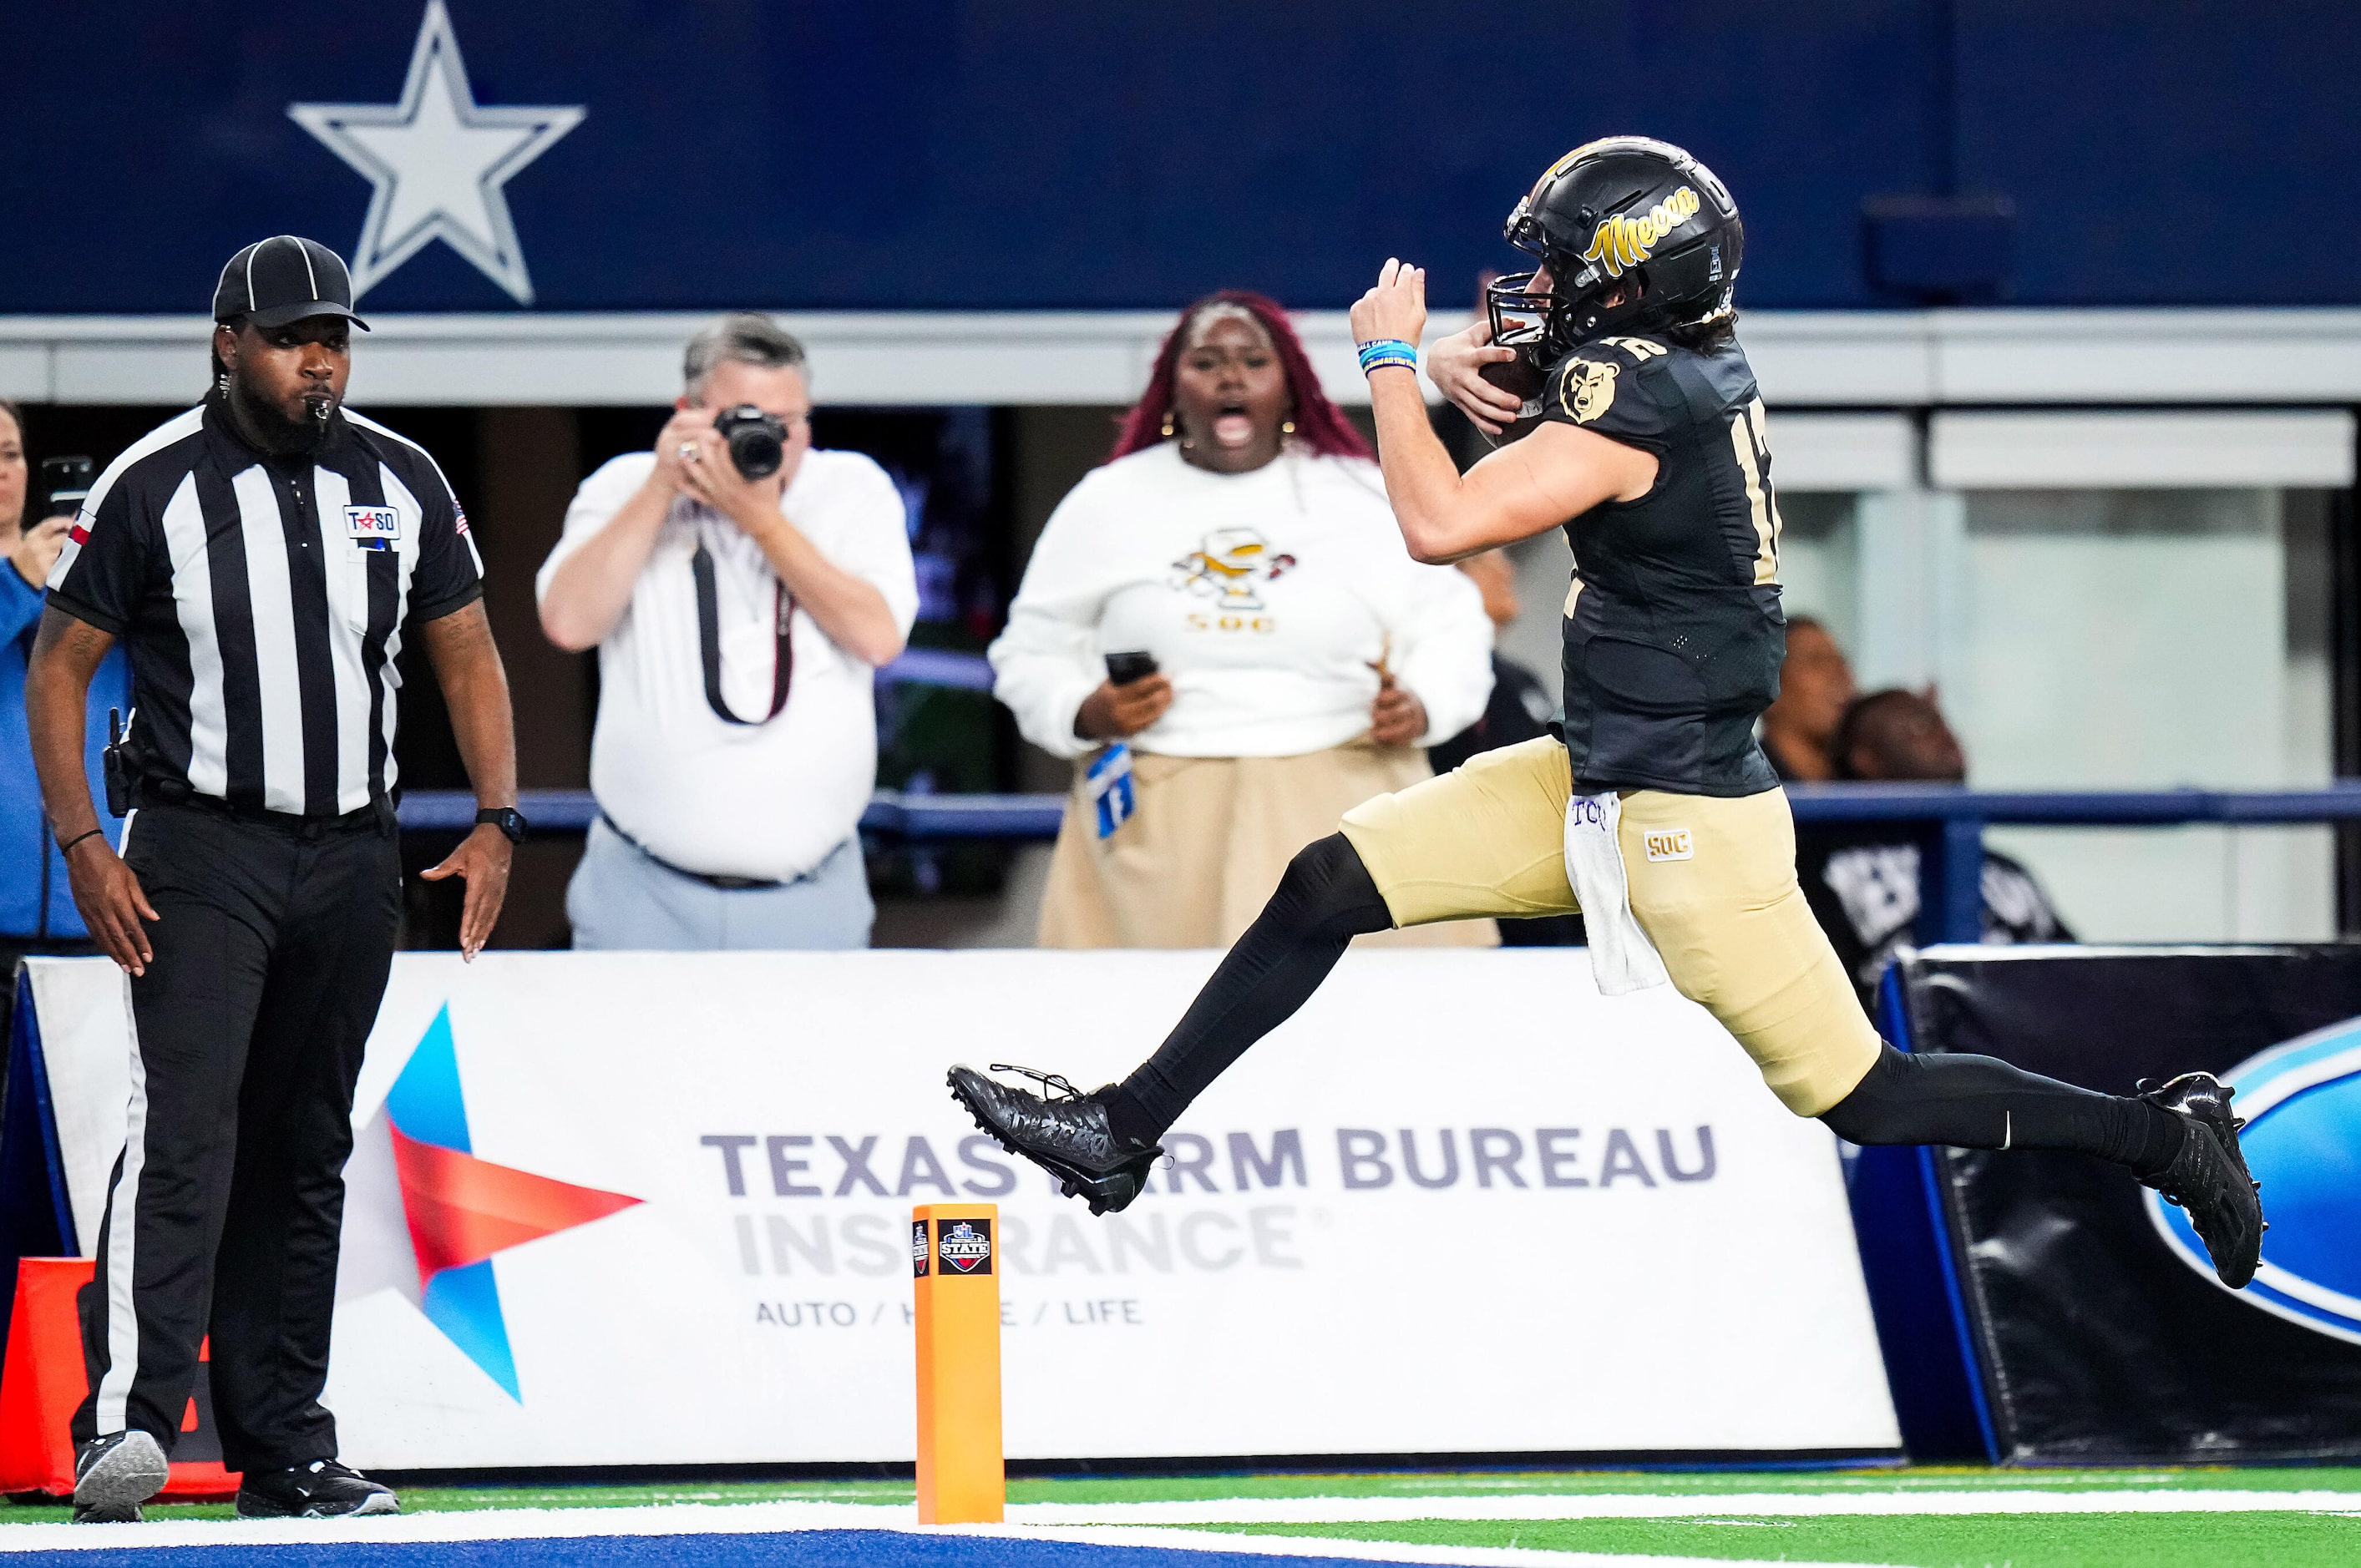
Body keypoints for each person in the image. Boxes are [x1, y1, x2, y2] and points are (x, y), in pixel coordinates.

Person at [947, 139, 2264, 1307]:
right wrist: (1447, 370)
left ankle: (2163, 1133)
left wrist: (1393, 367)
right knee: (1329, 878)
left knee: (1863, 1095)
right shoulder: (1665, 365)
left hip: (1686, 811)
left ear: (1630, 281)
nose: (1550, 283)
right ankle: (1123, 1128)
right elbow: (1541, 390)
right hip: (1603, 769)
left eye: (1575, 263)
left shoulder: (1640, 396)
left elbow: (1435, 524)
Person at [28, 236, 520, 1523]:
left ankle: (286, 1443)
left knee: (307, 1145)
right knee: (189, 1126)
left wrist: (498, 818)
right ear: (226, 344)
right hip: (200, 850)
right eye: (296, 336)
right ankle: (129, 1421)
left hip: (353, 850)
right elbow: (60, 668)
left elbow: (465, 646)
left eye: (337, 337)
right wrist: (84, 842)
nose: (322, 359)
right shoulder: (154, 483)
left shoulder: (401, 479)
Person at [988, 291, 1495, 948]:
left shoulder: (1360, 491)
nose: (1230, 377)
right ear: (1170, 390)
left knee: (1370, 1027)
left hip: (1348, 793)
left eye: (1254, 361)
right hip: (1161, 816)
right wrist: (1085, 710)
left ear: (1291, 389)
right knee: (1151, 1024)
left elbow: (1453, 624)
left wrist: (1423, 704)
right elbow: (1029, 649)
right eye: (1206, 362)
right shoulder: (1108, 500)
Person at [538, 314, 915, 950]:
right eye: (746, 418)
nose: (771, 439)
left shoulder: (852, 490)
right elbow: (569, 622)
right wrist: (662, 487)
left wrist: (763, 522)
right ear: (688, 411)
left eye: (788, 422)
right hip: (642, 896)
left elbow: (878, 637)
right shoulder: (627, 486)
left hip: (813, 898)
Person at [1798, 687, 2075, 1005]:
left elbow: (2080, 981)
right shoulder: (1822, 864)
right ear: (1867, 758)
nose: (1945, 737)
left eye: (1944, 723)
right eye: (1920, 727)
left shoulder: (2004, 868)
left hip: (2021, 1044)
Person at [1, 402, 133, 1046]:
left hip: (96, 915)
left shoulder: (87, 581)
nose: (3, 473)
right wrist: (17, 584)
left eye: (10, 455)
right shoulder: (22, 581)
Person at [1427, 548, 1581, 946]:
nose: (1506, 568)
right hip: (1492, 890)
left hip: (1554, 873)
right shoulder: (1435, 684)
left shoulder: (1516, 677)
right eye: (1486, 559)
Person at [1760, 614, 1855, 782]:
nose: (1840, 675)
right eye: (1815, 661)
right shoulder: (1740, 789)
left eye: (1841, 661)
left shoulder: (1867, 785)